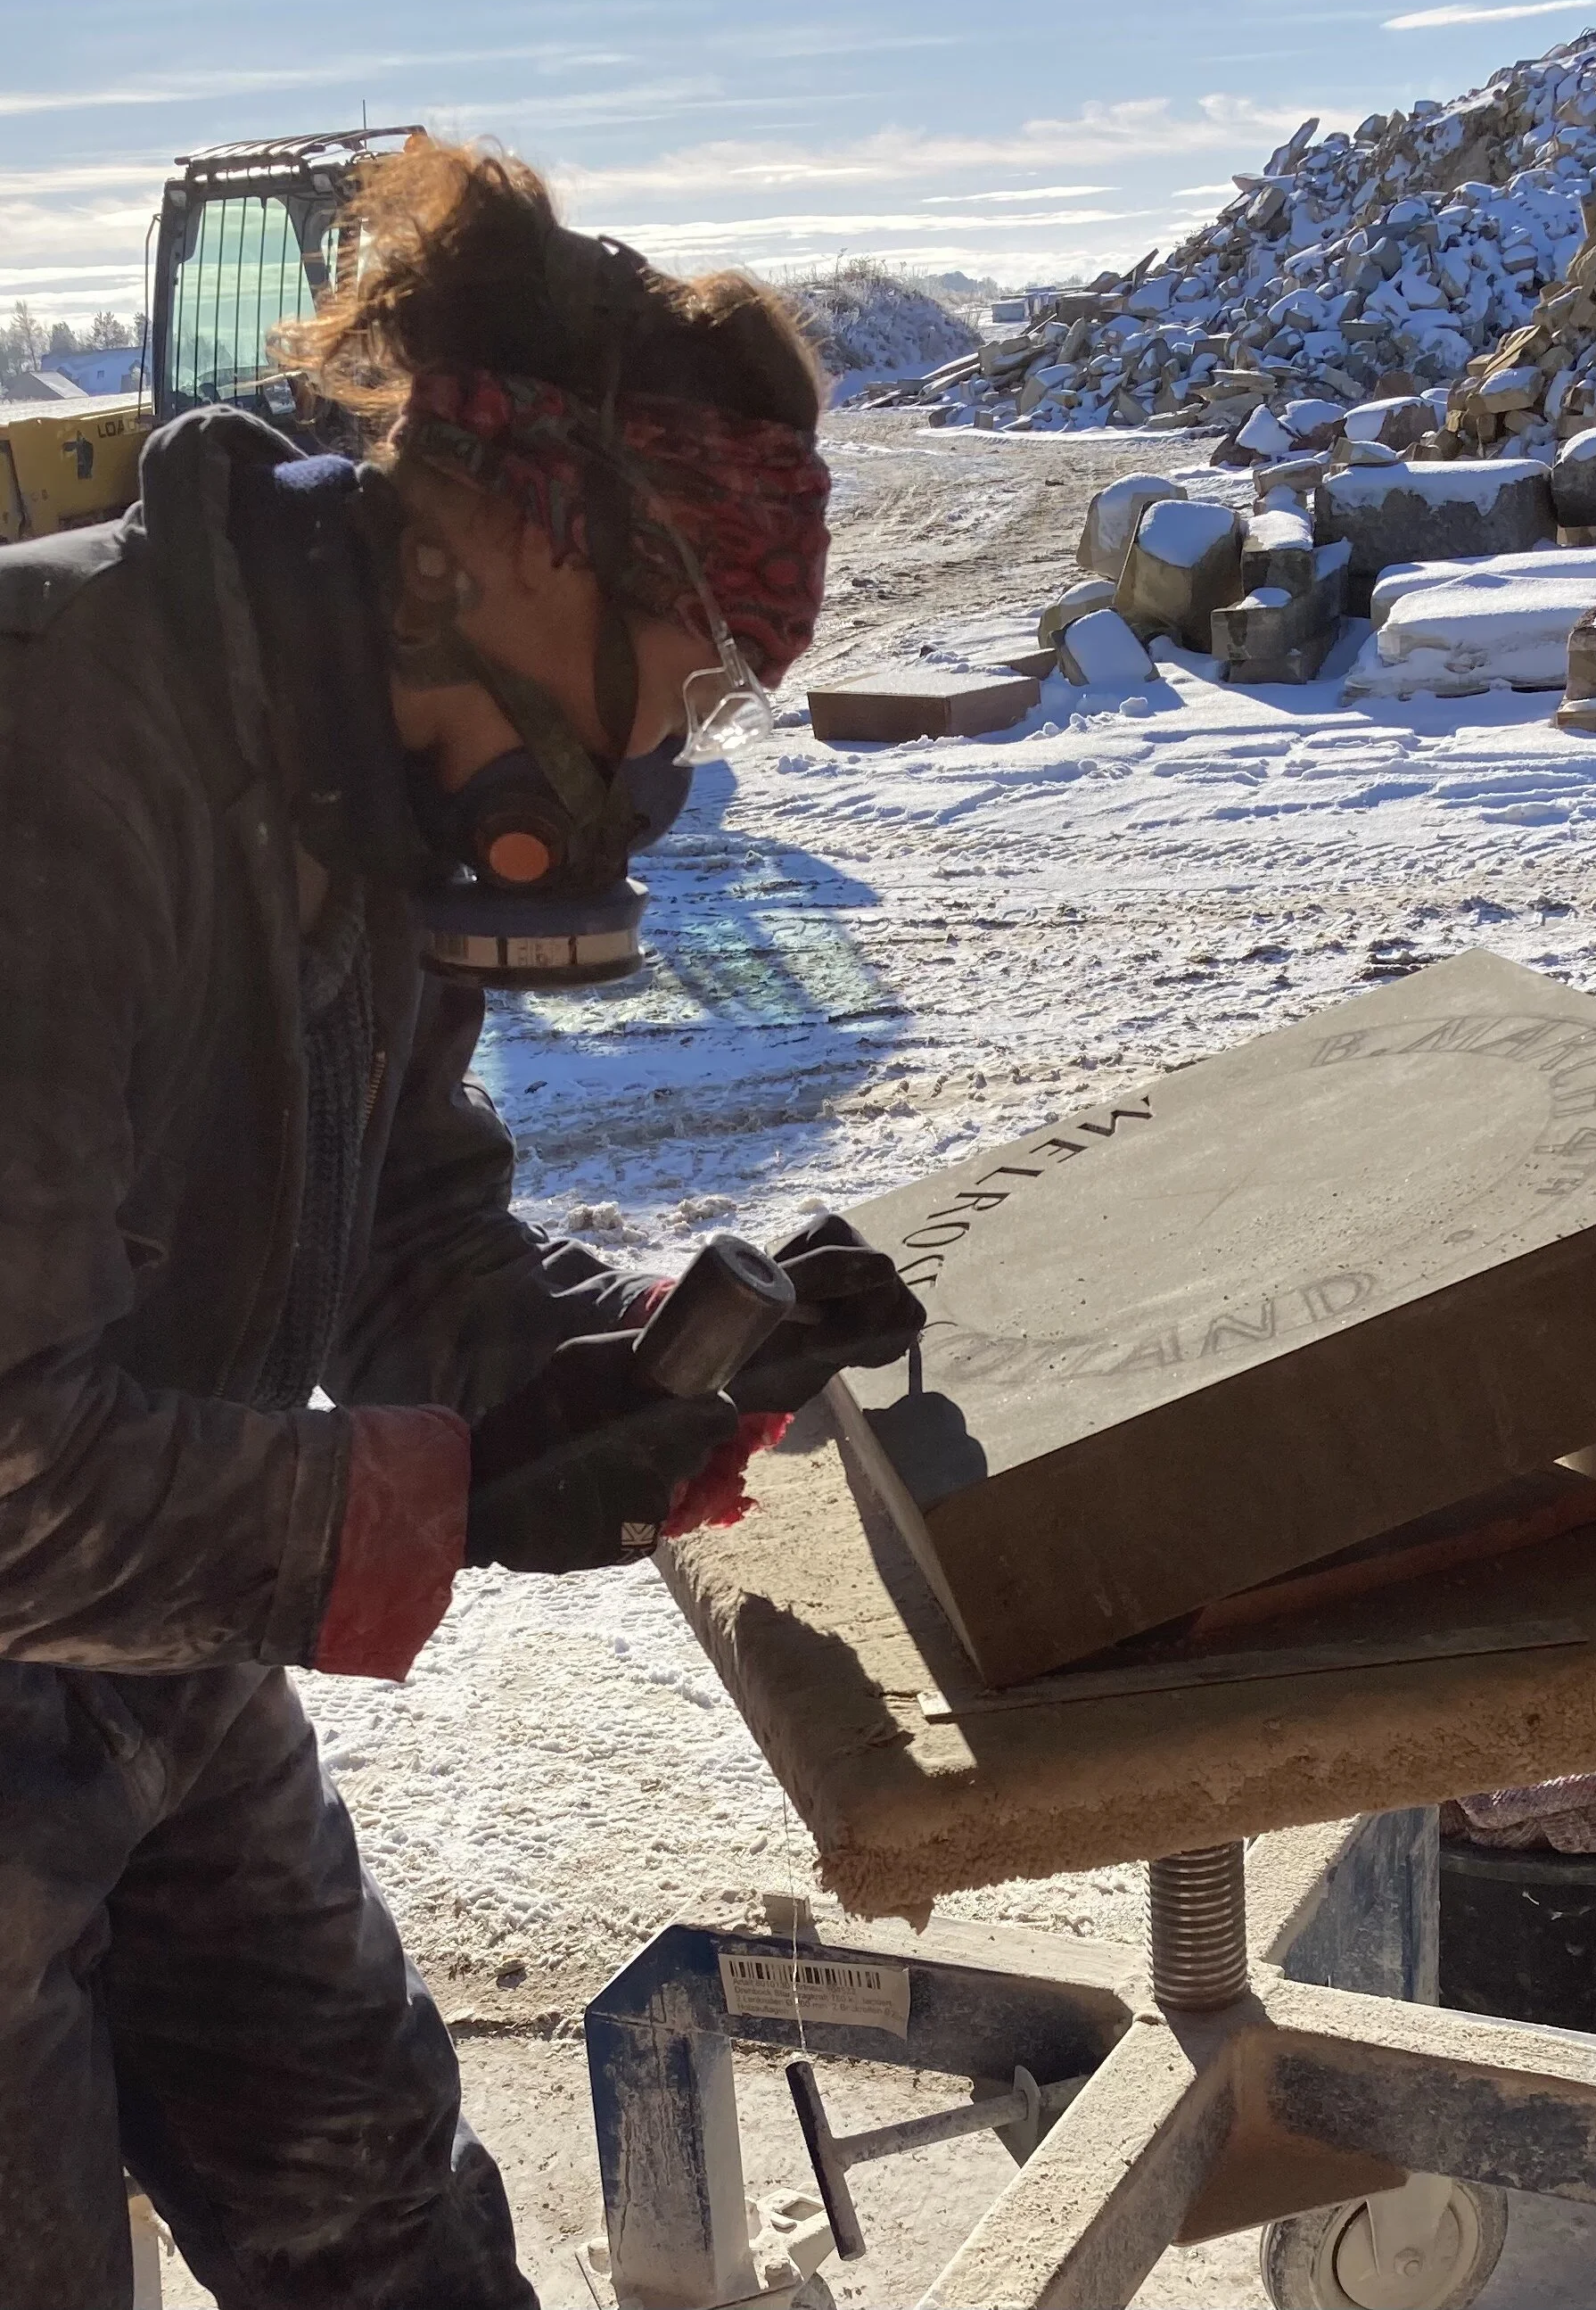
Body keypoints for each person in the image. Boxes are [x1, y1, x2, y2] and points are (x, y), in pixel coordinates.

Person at [0, 140, 923, 2309]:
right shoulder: (53, 751)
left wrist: (643, 1355)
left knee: (373, 2204)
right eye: (676, 690)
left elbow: (403, 1216)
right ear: (513, 537)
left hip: (151, 1654)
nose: (665, 775)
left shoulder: (354, 778)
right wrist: (432, 1496)